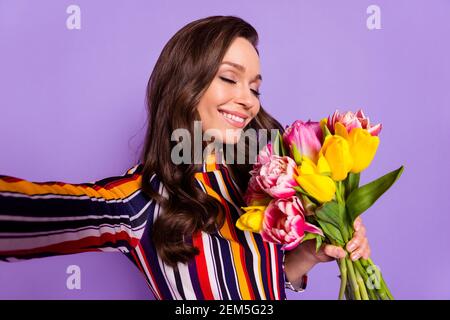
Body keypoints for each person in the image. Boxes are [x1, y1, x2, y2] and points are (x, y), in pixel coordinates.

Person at [0, 15, 370, 300]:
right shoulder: (143, 198)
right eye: (230, 78)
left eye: (255, 86)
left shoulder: (257, 188)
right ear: (185, 85)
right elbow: (22, 215)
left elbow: (258, 290)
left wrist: (307, 256)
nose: (249, 99)